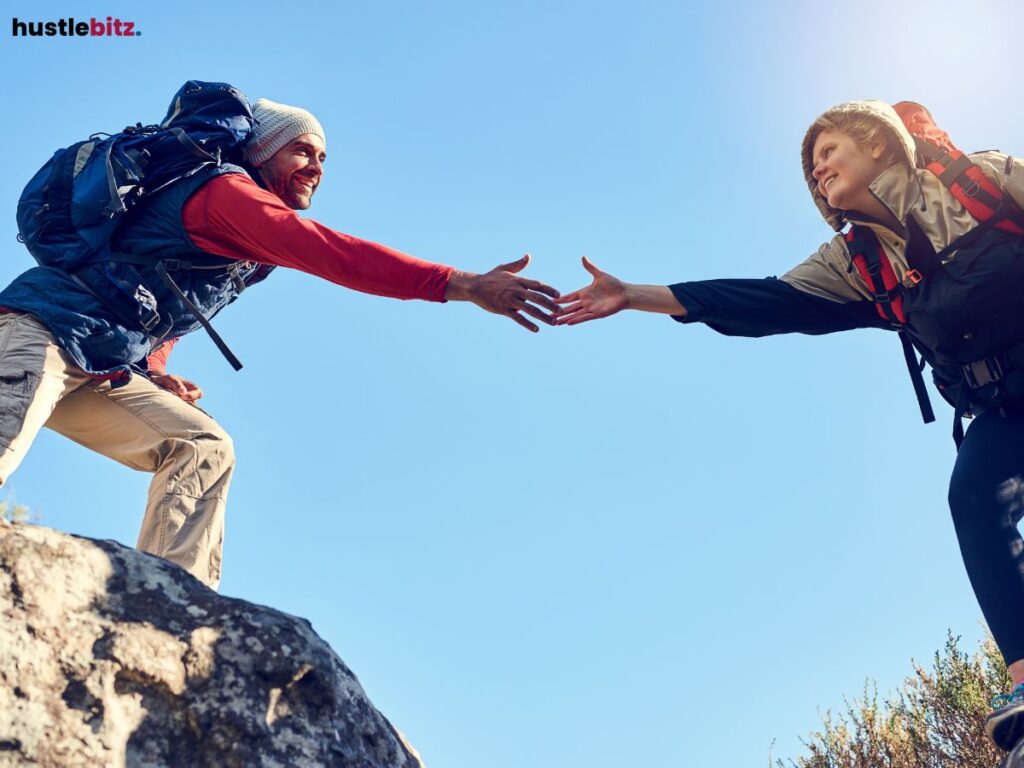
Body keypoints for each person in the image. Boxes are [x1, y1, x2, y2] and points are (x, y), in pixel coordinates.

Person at [555, 99, 1024, 752]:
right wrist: (638, 296)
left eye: (831, 148)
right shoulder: (854, 263)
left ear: (881, 144)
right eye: (812, 163)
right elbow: (766, 301)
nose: (819, 164)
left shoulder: (982, 182)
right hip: (1004, 409)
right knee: (972, 494)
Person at [0, 97, 560, 591]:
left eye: (323, 158)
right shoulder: (223, 193)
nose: (316, 167)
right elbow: (328, 250)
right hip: (37, 331)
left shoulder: (241, 244)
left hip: (99, 361)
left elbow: (160, 308)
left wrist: (150, 371)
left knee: (202, 447)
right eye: (302, 151)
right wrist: (461, 283)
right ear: (263, 152)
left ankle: (170, 603)